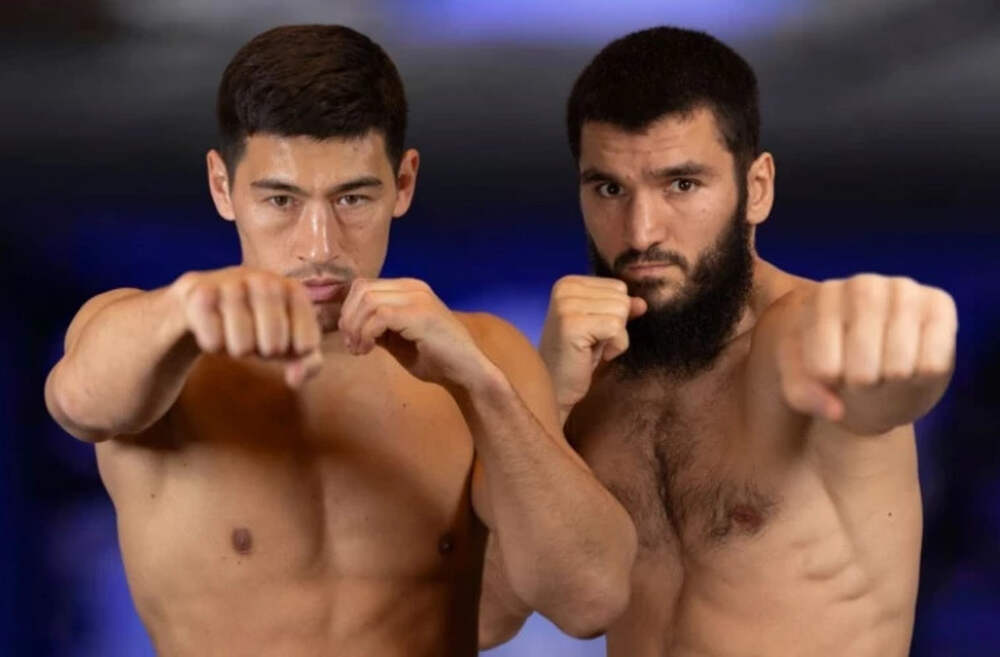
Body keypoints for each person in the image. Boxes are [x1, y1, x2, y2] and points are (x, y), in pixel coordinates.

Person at [43, 24, 636, 657]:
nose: (320, 246)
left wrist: (481, 386)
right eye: (281, 200)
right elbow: (80, 402)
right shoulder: (153, 340)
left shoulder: (482, 354)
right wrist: (185, 309)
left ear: (403, 184)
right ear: (222, 187)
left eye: (352, 198)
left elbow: (584, 602)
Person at [480, 26, 957, 657]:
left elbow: (879, 389)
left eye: (681, 184)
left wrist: (911, 354)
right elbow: (482, 618)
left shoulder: (798, 335)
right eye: (610, 189)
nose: (641, 232)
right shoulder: (588, 381)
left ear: (756, 189)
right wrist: (548, 402)